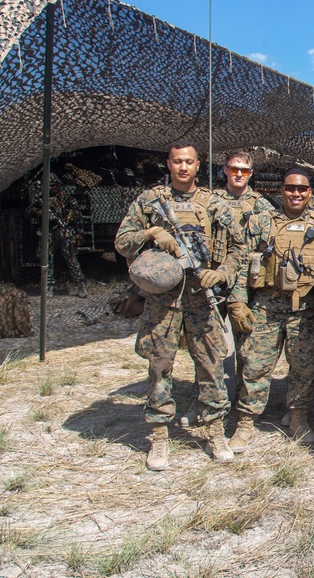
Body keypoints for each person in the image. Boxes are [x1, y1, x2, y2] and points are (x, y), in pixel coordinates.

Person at [114, 141, 245, 471]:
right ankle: (159, 437)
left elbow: (239, 247)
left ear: (198, 165)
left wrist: (222, 272)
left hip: (202, 299)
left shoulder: (213, 203)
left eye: (189, 161)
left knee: (213, 367)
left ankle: (214, 431)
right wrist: (152, 232)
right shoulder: (151, 200)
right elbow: (122, 242)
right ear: (169, 164)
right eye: (177, 162)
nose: (183, 167)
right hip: (164, 303)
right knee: (160, 368)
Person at [226, 168, 314, 452]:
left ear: (310, 192)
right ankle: (246, 422)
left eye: (301, 189)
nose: (295, 194)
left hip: (304, 309)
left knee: (303, 368)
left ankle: (298, 418)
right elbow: (240, 259)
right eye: (289, 188)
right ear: (281, 191)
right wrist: (237, 300)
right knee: (254, 365)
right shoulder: (261, 223)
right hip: (265, 308)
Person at [26, 173, 87, 297]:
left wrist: (76, 230)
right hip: (48, 232)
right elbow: (28, 214)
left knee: (71, 258)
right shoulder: (40, 199)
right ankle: (48, 287)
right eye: (48, 186)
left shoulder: (66, 197)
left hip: (64, 232)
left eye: (52, 185)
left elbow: (77, 215)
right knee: (46, 260)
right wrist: (40, 212)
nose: (50, 188)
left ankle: (80, 285)